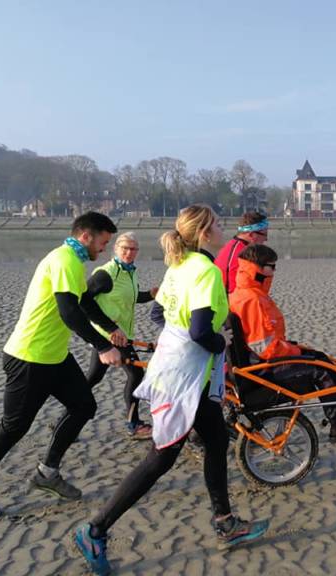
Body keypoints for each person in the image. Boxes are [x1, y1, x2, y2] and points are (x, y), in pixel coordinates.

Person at [74, 205, 268, 576]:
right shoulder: (205, 271)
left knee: (215, 439)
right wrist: (221, 342)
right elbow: (199, 331)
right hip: (185, 373)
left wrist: (195, 336)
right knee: (161, 458)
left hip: (176, 365)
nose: (223, 226)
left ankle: (226, 522)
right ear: (205, 231)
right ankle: (94, 530)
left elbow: (161, 314)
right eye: (217, 222)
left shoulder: (178, 266)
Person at [0, 212, 124, 520]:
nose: (104, 250)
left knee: (84, 406)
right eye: (104, 243)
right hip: (29, 357)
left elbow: (84, 303)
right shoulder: (65, 260)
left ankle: (47, 472)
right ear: (86, 236)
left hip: (54, 356)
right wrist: (102, 346)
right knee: (13, 428)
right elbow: (69, 311)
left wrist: (110, 329)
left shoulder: (72, 261)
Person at [228, 244, 336, 444]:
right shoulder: (253, 300)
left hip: (258, 362)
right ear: (258, 269)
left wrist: (299, 349)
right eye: (272, 267)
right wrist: (296, 350)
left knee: (321, 359)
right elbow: (264, 347)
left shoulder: (242, 293)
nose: (274, 272)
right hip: (262, 370)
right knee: (322, 370)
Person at [86, 232, 159, 440]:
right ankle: (134, 424)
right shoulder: (106, 273)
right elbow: (83, 302)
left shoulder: (129, 272)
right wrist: (109, 328)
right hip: (110, 336)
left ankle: (65, 415)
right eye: (125, 248)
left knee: (93, 378)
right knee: (135, 375)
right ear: (115, 249)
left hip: (120, 335)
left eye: (133, 249)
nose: (129, 252)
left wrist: (150, 295)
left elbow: (129, 298)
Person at [215, 210, 269, 293]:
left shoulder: (235, 246)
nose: (266, 239)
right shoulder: (240, 253)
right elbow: (231, 287)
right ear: (251, 235)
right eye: (265, 234)